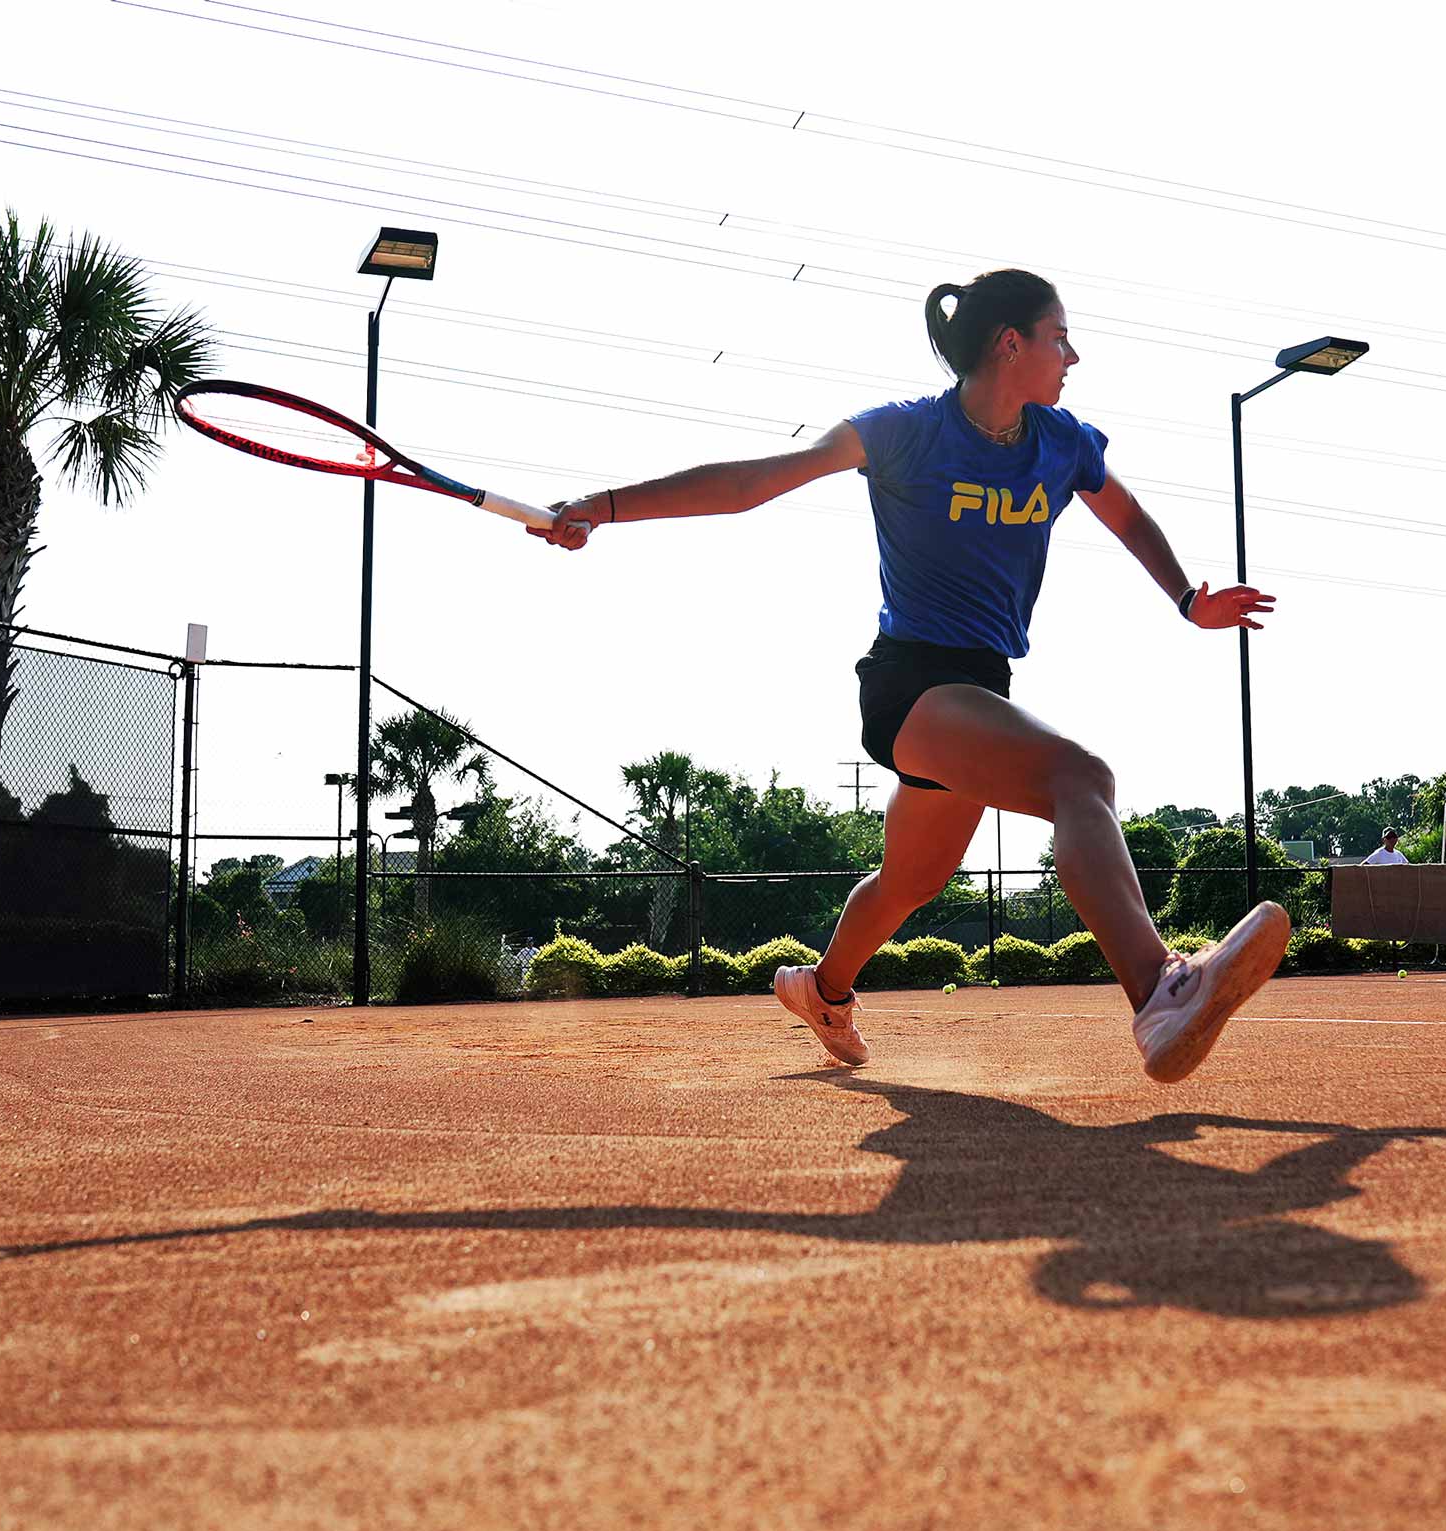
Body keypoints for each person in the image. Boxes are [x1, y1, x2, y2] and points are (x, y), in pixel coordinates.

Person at [533, 269, 1292, 1083]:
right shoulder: (901, 433)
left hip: (977, 691)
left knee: (912, 880)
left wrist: (1186, 598)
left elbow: (1127, 515)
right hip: (909, 685)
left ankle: (821, 991)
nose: (1073, 354)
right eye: (1059, 336)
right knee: (1080, 777)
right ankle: (1157, 990)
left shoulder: (1061, 442)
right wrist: (604, 506)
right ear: (1011, 344)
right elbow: (754, 482)